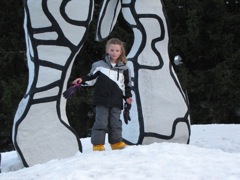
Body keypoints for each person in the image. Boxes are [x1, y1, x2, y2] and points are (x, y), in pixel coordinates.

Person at [73, 38, 133, 151]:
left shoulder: (124, 69)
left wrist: (128, 97)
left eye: (117, 50)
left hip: (116, 101)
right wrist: (82, 80)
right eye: (112, 50)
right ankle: (98, 144)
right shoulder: (99, 65)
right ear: (107, 50)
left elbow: (126, 85)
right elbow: (91, 78)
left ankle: (116, 142)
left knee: (115, 122)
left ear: (121, 52)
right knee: (101, 122)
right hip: (101, 100)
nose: (114, 52)